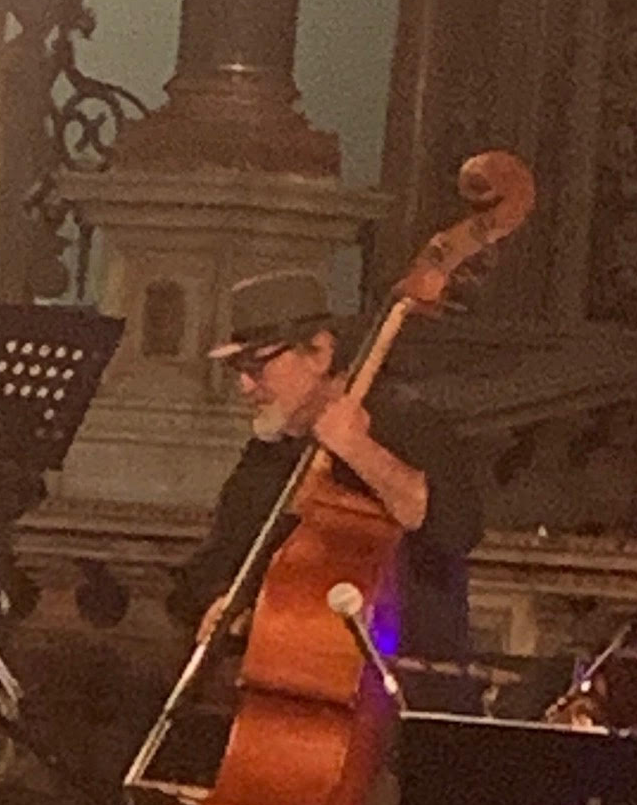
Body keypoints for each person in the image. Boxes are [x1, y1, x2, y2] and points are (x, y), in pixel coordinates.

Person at [170, 271, 484, 699]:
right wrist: (223, 600)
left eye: (257, 366)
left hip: (410, 686)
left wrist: (359, 450)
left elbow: (456, 530)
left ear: (318, 352)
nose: (245, 386)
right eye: (238, 370)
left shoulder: (407, 421)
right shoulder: (269, 451)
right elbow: (214, 561)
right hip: (293, 686)